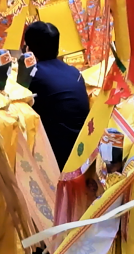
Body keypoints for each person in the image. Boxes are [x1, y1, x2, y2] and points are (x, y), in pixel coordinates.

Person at [23, 21, 90, 169]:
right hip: (83, 149)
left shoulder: (35, 75)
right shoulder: (73, 71)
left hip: (57, 155)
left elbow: (21, 108)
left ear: (29, 50)